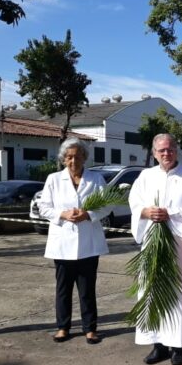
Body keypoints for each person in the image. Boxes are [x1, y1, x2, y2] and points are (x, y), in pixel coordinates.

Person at [129, 134, 182, 365]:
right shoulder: (146, 176)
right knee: (154, 291)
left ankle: (180, 346)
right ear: (154, 153)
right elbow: (135, 203)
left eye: (170, 149)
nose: (166, 154)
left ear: (177, 151)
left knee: (180, 295)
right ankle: (158, 345)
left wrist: (170, 214)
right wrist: (145, 213)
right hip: (153, 242)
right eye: (161, 150)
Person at [37, 138, 111, 345]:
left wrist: (88, 214)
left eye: (77, 156)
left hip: (88, 242)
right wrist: (63, 214)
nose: (73, 161)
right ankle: (63, 327)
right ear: (63, 159)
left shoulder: (95, 179)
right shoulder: (53, 179)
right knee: (63, 289)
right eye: (69, 157)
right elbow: (44, 207)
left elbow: (107, 205)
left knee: (87, 289)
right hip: (62, 242)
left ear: (84, 157)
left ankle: (90, 329)